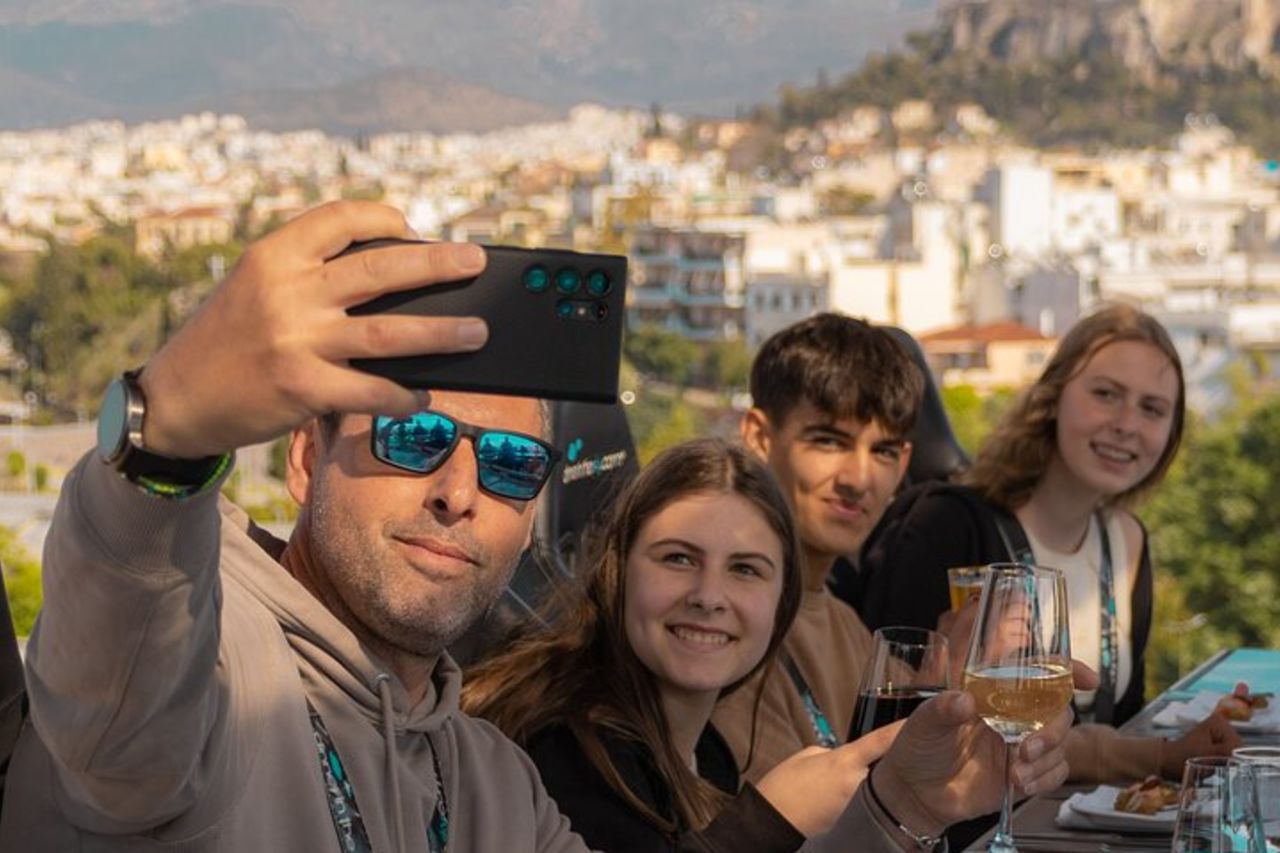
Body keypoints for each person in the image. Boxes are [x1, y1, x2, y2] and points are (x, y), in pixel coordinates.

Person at [0, 201, 1073, 852]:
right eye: (415, 438)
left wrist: (894, 812)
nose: (460, 490)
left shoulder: (482, 778)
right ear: (303, 457)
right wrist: (166, 434)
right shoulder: (209, 675)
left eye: (512, 464)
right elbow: (123, 661)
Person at [464, 437, 1079, 852]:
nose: (709, 596)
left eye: (745, 570)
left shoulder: (705, 750)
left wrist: (934, 806)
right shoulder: (560, 752)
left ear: (783, 603)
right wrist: (767, 823)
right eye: (678, 559)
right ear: (617, 573)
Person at [853, 302, 1241, 782]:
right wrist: (1155, 755)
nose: (1127, 424)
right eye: (1105, 394)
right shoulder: (948, 525)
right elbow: (883, 725)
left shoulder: (1127, 540)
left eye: (1152, 409)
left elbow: (1125, 719)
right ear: (1053, 397)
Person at [709, 313, 929, 779]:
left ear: (903, 462)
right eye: (829, 442)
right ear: (759, 437)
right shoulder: (719, 621)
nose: (858, 479)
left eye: (883, 451)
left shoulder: (846, 625)